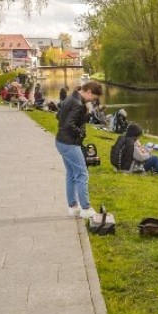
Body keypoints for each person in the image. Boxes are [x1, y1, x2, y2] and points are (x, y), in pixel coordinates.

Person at [56, 81, 103, 219]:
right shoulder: (78, 103)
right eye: (93, 97)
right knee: (82, 174)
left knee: (71, 174)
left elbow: (59, 116)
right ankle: (86, 208)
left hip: (61, 141)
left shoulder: (70, 97)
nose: (93, 100)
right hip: (69, 143)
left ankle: (73, 206)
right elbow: (69, 124)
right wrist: (80, 134)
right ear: (88, 92)